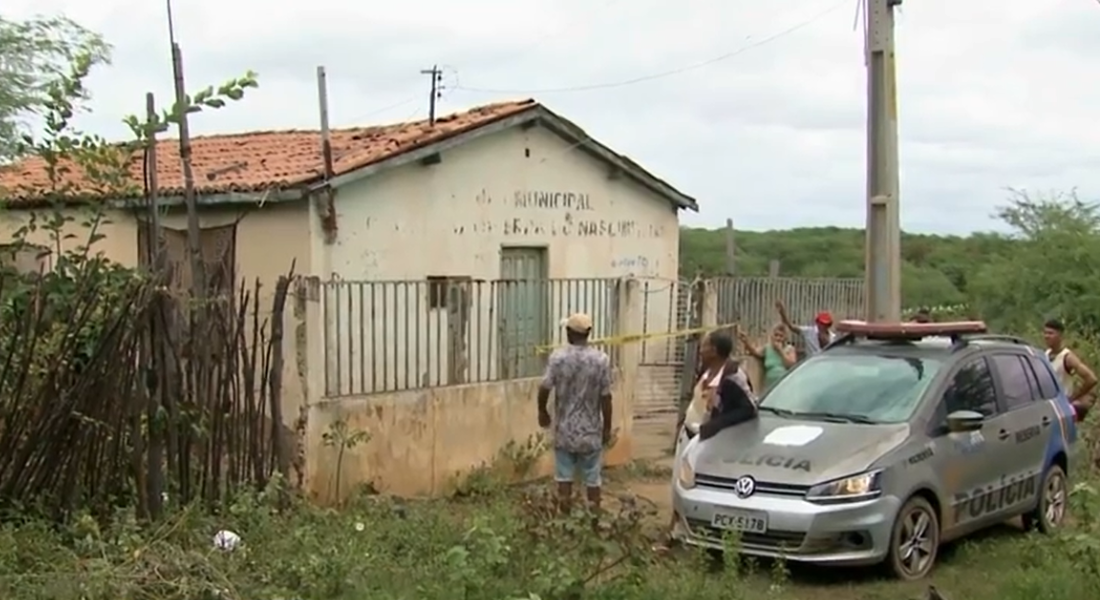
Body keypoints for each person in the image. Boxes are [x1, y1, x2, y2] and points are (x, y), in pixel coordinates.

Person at [655, 330, 759, 553]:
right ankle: (678, 531)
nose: (700, 350)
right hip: (689, 436)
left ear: (714, 350)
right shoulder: (706, 370)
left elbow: (749, 409)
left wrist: (717, 425)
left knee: (695, 486)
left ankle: (683, 535)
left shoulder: (733, 375)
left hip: (708, 441)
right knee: (678, 484)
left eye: (704, 346)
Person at [537, 313, 613, 512]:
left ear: (568, 332)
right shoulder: (601, 360)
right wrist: (607, 428)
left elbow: (544, 387)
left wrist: (542, 412)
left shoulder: (558, 358)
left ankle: (565, 522)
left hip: (565, 430)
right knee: (593, 480)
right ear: (588, 333)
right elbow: (606, 397)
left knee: (564, 478)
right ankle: (594, 521)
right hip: (591, 431)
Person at [1042, 318, 1097, 422]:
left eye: (1050, 333)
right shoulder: (1046, 354)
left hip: (1062, 409)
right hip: (1049, 407)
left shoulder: (1067, 357)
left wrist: (1073, 397)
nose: (1046, 336)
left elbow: (1091, 379)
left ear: (1060, 335)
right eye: (1045, 333)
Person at [737, 323, 797, 391]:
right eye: (776, 335)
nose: (778, 338)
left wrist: (780, 351)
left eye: (781, 336)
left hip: (784, 383)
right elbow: (755, 352)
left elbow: (791, 365)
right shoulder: (767, 348)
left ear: (785, 338)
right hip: (769, 384)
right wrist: (746, 342)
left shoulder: (789, 349)